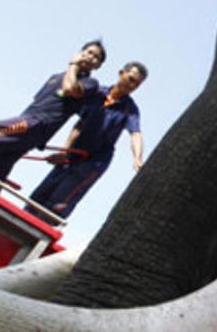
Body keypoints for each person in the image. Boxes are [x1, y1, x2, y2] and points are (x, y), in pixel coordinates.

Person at [0, 41, 106, 184]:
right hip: (28, 122)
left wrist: (73, 65)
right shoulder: (56, 77)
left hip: (35, 124)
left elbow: (70, 89)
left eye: (96, 57)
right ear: (81, 52)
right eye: (89, 52)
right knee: (0, 165)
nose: (90, 57)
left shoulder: (90, 83)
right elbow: (37, 104)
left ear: (97, 65)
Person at [29, 61, 147, 219]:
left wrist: (138, 158)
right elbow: (78, 124)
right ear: (121, 73)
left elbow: (135, 134)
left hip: (94, 161)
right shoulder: (96, 93)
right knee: (40, 194)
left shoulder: (130, 109)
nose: (132, 86)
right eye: (131, 79)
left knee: (58, 202)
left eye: (137, 85)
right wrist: (65, 151)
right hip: (72, 153)